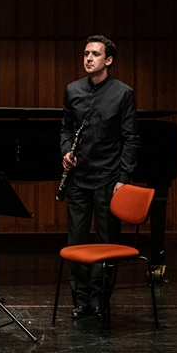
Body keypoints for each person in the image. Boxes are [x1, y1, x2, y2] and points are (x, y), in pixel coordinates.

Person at [60, 35, 139, 320]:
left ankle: (100, 302)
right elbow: (66, 129)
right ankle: (80, 302)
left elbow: (130, 139)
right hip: (79, 179)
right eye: (85, 54)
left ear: (108, 60)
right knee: (76, 242)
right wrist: (66, 152)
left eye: (94, 54)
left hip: (108, 178)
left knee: (107, 244)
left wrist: (123, 177)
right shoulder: (72, 90)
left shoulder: (123, 93)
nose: (88, 58)